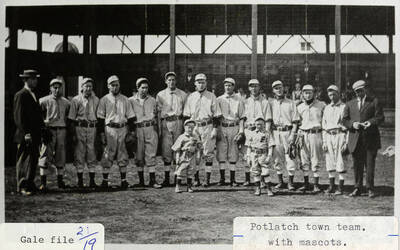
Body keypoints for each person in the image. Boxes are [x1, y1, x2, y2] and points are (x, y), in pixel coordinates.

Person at [342, 80, 384, 198]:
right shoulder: (349, 104)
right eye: (356, 91)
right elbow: (344, 120)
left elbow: (380, 117)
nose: (358, 93)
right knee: (357, 165)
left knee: (370, 165)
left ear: (365, 89)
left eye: (360, 90)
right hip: (355, 140)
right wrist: (353, 124)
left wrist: (370, 123)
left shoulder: (374, 102)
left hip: (370, 139)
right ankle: (357, 188)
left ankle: (370, 188)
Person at [97, 75, 136, 189]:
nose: (115, 87)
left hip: (122, 128)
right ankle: (105, 181)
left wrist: (131, 132)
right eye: (112, 85)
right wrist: (101, 134)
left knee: (122, 154)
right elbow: (100, 118)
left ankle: (123, 181)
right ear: (108, 86)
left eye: (117, 85)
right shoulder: (104, 99)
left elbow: (131, 117)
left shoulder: (125, 99)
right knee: (107, 153)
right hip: (110, 128)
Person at [183, 73, 222, 187]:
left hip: (207, 125)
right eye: (199, 82)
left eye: (203, 82)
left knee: (208, 153)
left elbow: (217, 115)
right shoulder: (190, 97)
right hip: (194, 127)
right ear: (195, 83)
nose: (201, 84)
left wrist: (215, 129)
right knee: (194, 153)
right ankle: (196, 179)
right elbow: (186, 115)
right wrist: (188, 130)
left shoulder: (211, 96)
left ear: (206, 83)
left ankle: (207, 179)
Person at [13, 69, 45, 195]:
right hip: (25, 135)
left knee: (33, 159)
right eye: (32, 79)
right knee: (24, 160)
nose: (35, 81)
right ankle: (22, 186)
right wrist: (26, 133)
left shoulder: (33, 94)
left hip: (34, 134)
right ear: (25, 80)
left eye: (36, 78)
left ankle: (30, 184)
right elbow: (19, 117)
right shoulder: (20, 95)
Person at [38, 78, 71, 191]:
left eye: (59, 87)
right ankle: (43, 183)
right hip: (49, 130)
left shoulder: (66, 102)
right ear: (50, 88)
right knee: (45, 154)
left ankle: (60, 181)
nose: (57, 90)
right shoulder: (43, 100)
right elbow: (38, 116)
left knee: (60, 154)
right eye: (54, 87)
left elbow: (68, 116)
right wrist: (43, 123)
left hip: (61, 129)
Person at [156, 72, 187, 187]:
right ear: (165, 81)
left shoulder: (183, 94)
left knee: (178, 150)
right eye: (169, 80)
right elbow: (158, 112)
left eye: (173, 79)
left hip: (178, 121)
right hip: (166, 122)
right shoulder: (160, 95)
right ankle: (167, 178)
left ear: (176, 81)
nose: (171, 82)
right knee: (166, 150)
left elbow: (185, 112)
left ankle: (177, 178)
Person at [130, 77, 162, 189]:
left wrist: (158, 130)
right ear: (137, 88)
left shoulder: (153, 100)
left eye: (146, 88)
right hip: (138, 128)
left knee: (151, 154)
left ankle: (153, 180)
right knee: (139, 155)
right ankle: (141, 181)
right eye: (142, 88)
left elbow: (157, 116)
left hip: (150, 127)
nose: (144, 90)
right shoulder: (131, 101)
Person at [68, 77, 99, 188]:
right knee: (79, 153)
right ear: (82, 87)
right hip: (79, 127)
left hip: (92, 127)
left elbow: (98, 116)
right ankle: (80, 181)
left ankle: (92, 181)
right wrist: (72, 134)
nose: (88, 88)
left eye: (90, 86)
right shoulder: (76, 100)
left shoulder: (96, 100)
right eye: (86, 86)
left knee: (91, 152)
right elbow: (71, 118)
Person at [269, 80, 299, 191]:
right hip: (276, 131)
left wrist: (293, 135)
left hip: (288, 131)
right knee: (277, 157)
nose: (279, 90)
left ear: (284, 88)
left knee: (290, 156)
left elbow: (295, 121)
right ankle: (280, 181)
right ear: (273, 90)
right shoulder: (271, 103)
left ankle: (290, 182)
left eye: (280, 87)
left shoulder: (291, 103)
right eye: (276, 88)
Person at [242, 79, 272, 186]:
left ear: (259, 87)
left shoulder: (265, 102)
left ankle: (263, 180)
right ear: (249, 88)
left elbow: (268, 119)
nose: (254, 88)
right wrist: (241, 131)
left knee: (261, 156)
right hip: (249, 130)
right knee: (248, 155)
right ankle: (248, 179)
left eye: (256, 86)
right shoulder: (245, 101)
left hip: (260, 131)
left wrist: (266, 133)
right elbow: (242, 118)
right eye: (251, 86)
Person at [296, 85, 326, 192]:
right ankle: (306, 183)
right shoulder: (299, 107)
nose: (308, 95)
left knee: (315, 159)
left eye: (310, 92)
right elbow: (298, 122)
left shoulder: (321, 105)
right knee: (304, 159)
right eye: (305, 93)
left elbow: (325, 121)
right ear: (302, 94)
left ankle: (316, 184)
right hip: (303, 134)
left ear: (314, 93)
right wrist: (298, 135)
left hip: (316, 134)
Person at [216, 78, 245, 186]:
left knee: (233, 152)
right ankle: (222, 178)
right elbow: (217, 117)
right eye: (226, 85)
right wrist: (218, 130)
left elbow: (242, 117)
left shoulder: (239, 99)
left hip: (234, 126)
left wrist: (241, 131)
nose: (228, 87)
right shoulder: (219, 99)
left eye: (230, 85)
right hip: (222, 126)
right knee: (221, 152)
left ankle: (233, 179)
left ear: (234, 86)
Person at [322, 85, 348, 195]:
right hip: (329, 135)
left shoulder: (344, 107)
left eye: (334, 94)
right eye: (330, 95)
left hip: (340, 134)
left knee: (341, 160)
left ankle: (340, 187)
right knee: (330, 160)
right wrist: (324, 141)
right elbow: (324, 125)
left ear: (339, 94)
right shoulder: (327, 108)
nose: (332, 97)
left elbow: (347, 126)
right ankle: (331, 186)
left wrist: (346, 142)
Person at [171, 119, 202, 193]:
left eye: (192, 127)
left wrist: (198, 156)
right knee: (180, 171)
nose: (190, 129)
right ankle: (178, 186)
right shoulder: (182, 137)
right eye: (188, 127)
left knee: (190, 172)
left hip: (192, 156)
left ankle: (189, 186)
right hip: (184, 156)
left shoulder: (196, 136)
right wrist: (177, 158)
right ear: (184, 127)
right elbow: (177, 149)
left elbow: (199, 147)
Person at [247, 118, 275, 196]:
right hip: (254, 154)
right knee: (255, 172)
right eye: (257, 124)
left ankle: (269, 189)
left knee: (265, 172)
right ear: (255, 125)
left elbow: (270, 146)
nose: (259, 126)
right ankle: (258, 188)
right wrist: (248, 156)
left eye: (261, 124)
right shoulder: (252, 133)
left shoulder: (267, 133)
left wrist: (269, 155)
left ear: (264, 125)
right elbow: (249, 146)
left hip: (263, 154)